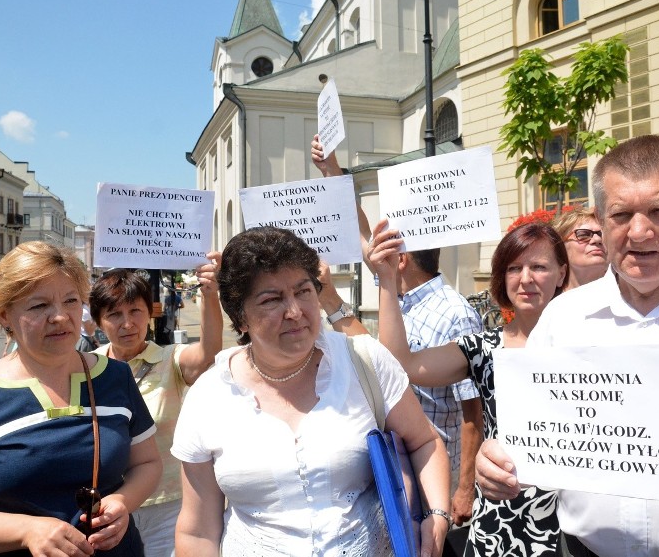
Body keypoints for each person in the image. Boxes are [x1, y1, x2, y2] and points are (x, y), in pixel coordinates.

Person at [475, 135, 659, 557]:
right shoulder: (562, 317)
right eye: (621, 214)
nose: (639, 231)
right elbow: (524, 438)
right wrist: (494, 463)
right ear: (602, 222)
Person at [171, 226, 452, 557]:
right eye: (272, 299)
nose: (295, 311)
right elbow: (197, 531)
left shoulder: (364, 361)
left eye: (303, 291)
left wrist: (437, 515)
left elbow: (425, 442)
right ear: (240, 317)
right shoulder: (209, 396)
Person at [0, 241, 162, 557]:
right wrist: (27, 530)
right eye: (39, 305)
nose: (60, 317)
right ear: (4, 315)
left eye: (70, 301)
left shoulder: (115, 376)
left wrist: (123, 501)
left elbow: (148, 463)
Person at [311, 134, 484, 532]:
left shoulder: (454, 312)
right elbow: (359, 234)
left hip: (435, 467)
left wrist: (464, 489)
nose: (374, 251)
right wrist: (332, 172)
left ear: (400, 259)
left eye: (385, 248)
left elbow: (473, 412)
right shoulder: (399, 296)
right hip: (399, 460)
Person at [368, 221, 569, 556]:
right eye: (514, 268)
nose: (526, 278)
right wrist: (388, 281)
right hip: (498, 519)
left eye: (539, 267)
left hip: (568, 521)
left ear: (562, 274)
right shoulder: (482, 348)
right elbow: (401, 363)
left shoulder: (589, 348)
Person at [89, 257, 222, 557]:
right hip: (109, 505)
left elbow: (209, 352)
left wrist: (210, 295)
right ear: (98, 321)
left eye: (136, 311)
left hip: (168, 504)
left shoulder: (170, 359)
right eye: (114, 314)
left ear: (150, 313)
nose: (127, 323)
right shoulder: (87, 368)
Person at [550, 206, 608, 289]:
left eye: (602, 234)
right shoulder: (546, 299)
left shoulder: (628, 297)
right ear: (562, 246)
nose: (597, 239)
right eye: (584, 235)